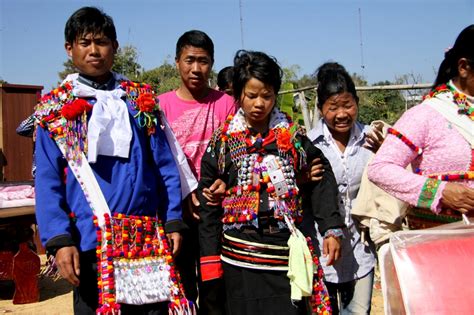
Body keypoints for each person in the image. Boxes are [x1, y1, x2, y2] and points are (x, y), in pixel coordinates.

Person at [34, 7, 190, 314]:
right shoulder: (54, 111)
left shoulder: (139, 101)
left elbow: (164, 166)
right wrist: (59, 239)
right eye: (85, 42)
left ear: (115, 47)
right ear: (70, 48)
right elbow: (47, 180)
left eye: (102, 42)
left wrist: (172, 218)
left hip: (145, 238)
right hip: (89, 244)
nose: (94, 50)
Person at [198, 50, 345, 315]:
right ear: (238, 94)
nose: (259, 104)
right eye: (251, 95)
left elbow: (321, 174)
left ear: (275, 94)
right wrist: (209, 260)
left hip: (283, 257)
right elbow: (208, 201)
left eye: (266, 96)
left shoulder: (293, 138)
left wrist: (332, 227)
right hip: (238, 260)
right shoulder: (222, 143)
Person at [157, 30, 236, 307]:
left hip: (215, 213)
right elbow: (157, 161)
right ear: (176, 61)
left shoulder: (226, 105)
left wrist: (220, 186)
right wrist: (182, 194)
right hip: (175, 212)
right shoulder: (158, 106)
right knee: (180, 287)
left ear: (212, 63)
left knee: (214, 287)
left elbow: (235, 156)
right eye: (189, 60)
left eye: (203, 61)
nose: (195, 68)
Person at [368, 25, 474, 228]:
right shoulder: (426, 114)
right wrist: (440, 191)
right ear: (463, 67)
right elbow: (379, 168)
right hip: (438, 246)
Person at [306, 62, 380, 314]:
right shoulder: (308, 145)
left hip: (361, 249)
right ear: (320, 109)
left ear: (357, 102)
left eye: (347, 105)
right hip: (320, 248)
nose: (341, 114)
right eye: (333, 107)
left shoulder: (373, 140)